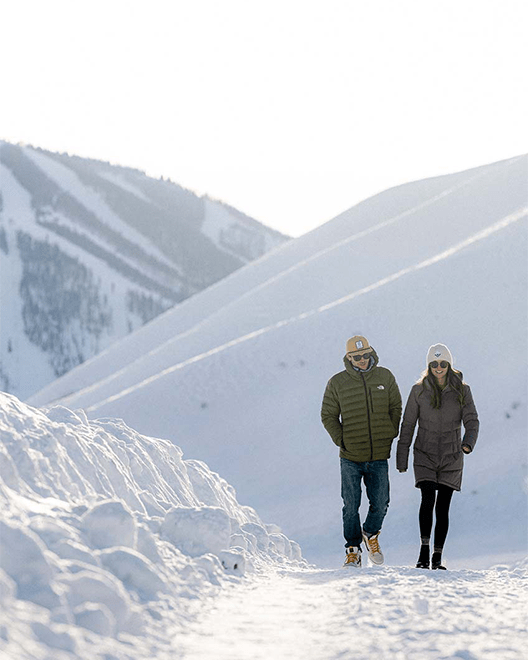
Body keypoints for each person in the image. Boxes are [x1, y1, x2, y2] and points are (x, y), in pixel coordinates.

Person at [321, 335, 402, 567]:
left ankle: (371, 533)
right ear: (349, 357)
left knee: (381, 502)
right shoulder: (337, 382)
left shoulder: (385, 376)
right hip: (351, 457)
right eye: (357, 357)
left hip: (378, 455)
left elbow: (395, 405)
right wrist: (341, 439)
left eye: (366, 355)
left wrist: (391, 430)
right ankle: (353, 549)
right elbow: (327, 415)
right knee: (351, 505)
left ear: (371, 352)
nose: (363, 360)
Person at [396, 344, 479, 570]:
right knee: (427, 499)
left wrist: (468, 443)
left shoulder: (463, 391)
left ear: (449, 365)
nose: (439, 368)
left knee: (443, 506)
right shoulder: (418, 391)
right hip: (425, 453)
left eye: (443, 364)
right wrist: (401, 457)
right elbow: (408, 424)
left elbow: (472, 420)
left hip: (452, 456)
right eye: (434, 364)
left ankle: (437, 557)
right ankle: (423, 552)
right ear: (429, 366)